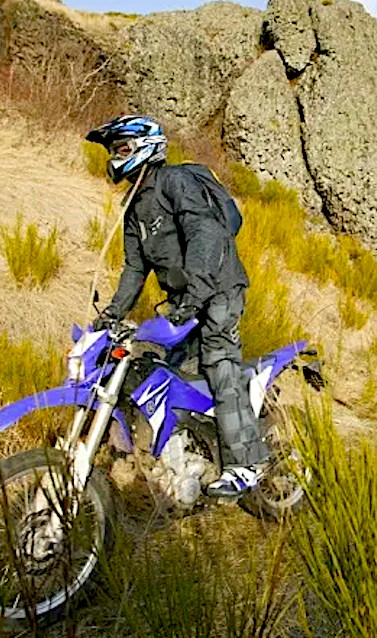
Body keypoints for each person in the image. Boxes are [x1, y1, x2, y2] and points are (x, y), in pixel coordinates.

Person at [85, 114, 268, 498]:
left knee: (218, 361)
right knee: (171, 373)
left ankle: (247, 464)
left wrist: (196, 296)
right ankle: (193, 456)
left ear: (146, 147)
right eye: (114, 151)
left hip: (219, 289)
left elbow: (206, 233)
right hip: (186, 301)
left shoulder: (175, 182)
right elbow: (135, 267)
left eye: (122, 149)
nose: (115, 158)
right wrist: (112, 314)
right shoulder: (134, 208)